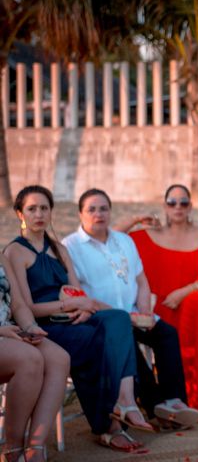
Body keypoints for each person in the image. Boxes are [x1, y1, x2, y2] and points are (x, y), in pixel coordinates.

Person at [4, 185, 152, 453]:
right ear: (19, 213)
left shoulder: (59, 249)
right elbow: (26, 307)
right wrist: (68, 304)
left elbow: (78, 291)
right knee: (98, 342)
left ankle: (125, 401)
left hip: (74, 316)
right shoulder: (15, 252)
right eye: (32, 209)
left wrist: (83, 307)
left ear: (51, 212)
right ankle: (109, 424)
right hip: (47, 325)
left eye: (44, 208)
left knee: (118, 319)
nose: (39, 214)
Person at [62, 188, 198, 429]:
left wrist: (145, 312)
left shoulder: (123, 240)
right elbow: (78, 294)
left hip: (133, 313)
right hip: (101, 318)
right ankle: (155, 405)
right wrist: (126, 317)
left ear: (110, 212)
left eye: (104, 208)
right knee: (129, 345)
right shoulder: (70, 247)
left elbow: (141, 281)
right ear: (80, 214)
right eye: (92, 209)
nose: (99, 214)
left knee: (167, 333)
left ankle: (174, 400)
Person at [124, 184, 198, 422]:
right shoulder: (145, 236)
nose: (178, 207)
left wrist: (186, 291)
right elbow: (109, 240)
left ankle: (193, 394)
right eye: (172, 202)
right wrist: (135, 219)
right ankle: (165, 400)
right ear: (164, 206)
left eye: (183, 202)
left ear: (190, 207)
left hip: (191, 308)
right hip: (157, 310)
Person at [0, 253, 69, 462]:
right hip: (2, 332)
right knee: (30, 359)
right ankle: (12, 447)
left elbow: (18, 304)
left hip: (9, 329)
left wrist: (31, 328)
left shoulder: (1, 258)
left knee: (59, 358)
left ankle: (35, 448)